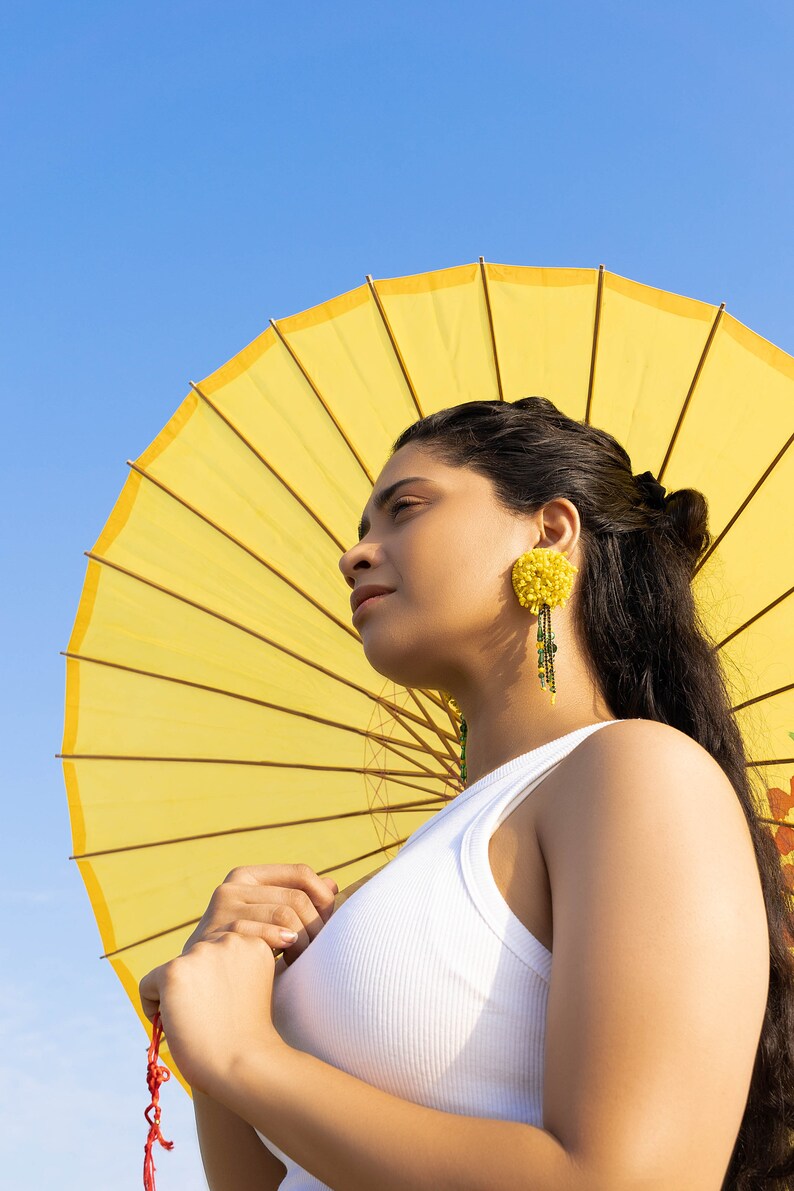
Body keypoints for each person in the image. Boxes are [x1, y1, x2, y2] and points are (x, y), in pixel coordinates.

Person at [140, 396, 794, 1190]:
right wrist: (221, 1010)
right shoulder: (389, 883)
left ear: (549, 531)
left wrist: (246, 1057)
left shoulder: (640, 773)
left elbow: (629, 1179)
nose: (354, 554)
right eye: (362, 529)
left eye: (404, 509)